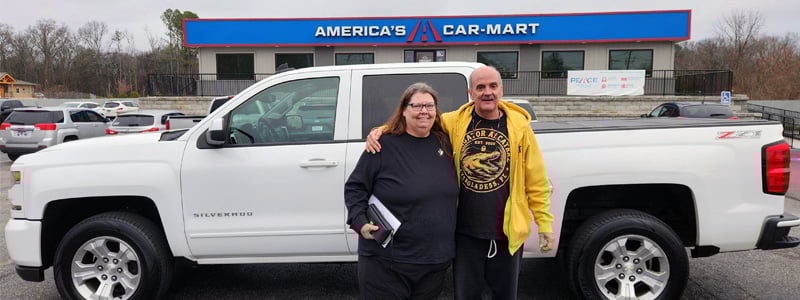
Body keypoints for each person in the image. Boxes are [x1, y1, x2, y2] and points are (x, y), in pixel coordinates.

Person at [366, 66, 555, 299]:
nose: (487, 92)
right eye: (481, 87)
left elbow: (535, 180)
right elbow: (419, 119)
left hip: (507, 234)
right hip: (465, 234)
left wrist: (544, 223)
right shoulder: (455, 121)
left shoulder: (520, 128)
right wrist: (381, 130)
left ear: (501, 90)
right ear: (471, 92)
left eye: (493, 86)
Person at [345, 82, 459, 299]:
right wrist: (360, 221)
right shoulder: (382, 145)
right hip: (387, 263)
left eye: (429, 106)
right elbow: (355, 187)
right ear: (404, 110)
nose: (424, 111)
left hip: (434, 261)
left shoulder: (446, 142)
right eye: (416, 106)